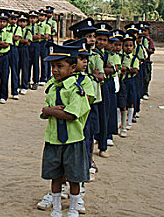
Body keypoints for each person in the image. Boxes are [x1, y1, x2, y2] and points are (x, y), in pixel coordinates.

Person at [37, 38, 94, 215]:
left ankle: (74, 209)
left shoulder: (77, 89)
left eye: (59, 66)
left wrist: (50, 110)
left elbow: (70, 114)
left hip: (73, 139)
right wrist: (50, 110)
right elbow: (44, 112)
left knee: (74, 176)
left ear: (72, 67)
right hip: (53, 139)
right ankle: (56, 208)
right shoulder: (52, 87)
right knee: (55, 175)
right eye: (53, 66)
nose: (55, 70)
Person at [69, 18, 102, 181]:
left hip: (90, 102)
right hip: (74, 102)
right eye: (88, 36)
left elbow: (99, 75)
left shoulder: (95, 55)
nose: (92, 39)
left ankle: (88, 163)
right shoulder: (70, 55)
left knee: (88, 134)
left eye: (93, 36)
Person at [93, 22, 114, 158]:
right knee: (94, 114)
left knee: (104, 115)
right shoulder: (92, 53)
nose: (101, 42)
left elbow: (112, 69)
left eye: (104, 40)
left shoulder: (109, 54)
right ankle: (94, 137)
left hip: (104, 86)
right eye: (98, 39)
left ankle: (103, 146)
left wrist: (104, 71)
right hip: (94, 87)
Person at [117, 32, 139, 136]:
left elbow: (135, 70)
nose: (128, 48)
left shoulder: (134, 58)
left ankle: (128, 121)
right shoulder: (120, 57)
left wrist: (127, 69)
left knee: (131, 101)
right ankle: (120, 122)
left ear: (134, 47)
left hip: (130, 81)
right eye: (126, 46)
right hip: (122, 81)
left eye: (130, 46)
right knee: (121, 102)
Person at [0, 11, 12, 104]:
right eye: (0, 21)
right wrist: (0, 43)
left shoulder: (8, 32)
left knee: (4, 76)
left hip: (4, 56)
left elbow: (6, 44)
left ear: (7, 23)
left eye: (4, 22)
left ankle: (3, 95)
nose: (2, 23)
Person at [7, 10, 23, 100]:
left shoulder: (18, 28)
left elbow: (17, 38)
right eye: (11, 19)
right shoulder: (6, 27)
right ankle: (2, 91)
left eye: (15, 19)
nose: (13, 21)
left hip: (14, 49)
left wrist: (9, 36)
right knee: (4, 72)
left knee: (14, 70)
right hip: (6, 49)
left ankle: (14, 91)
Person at [27, 10, 42, 90]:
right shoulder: (27, 27)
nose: (32, 20)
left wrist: (30, 37)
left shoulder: (39, 27)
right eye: (31, 18)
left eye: (34, 18)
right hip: (29, 45)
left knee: (36, 63)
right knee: (28, 63)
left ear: (37, 19)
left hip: (36, 45)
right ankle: (28, 80)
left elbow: (39, 37)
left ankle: (35, 81)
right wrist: (33, 36)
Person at [139, 23, 155, 99]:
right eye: (142, 31)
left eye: (145, 31)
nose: (143, 32)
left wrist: (145, 49)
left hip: (146, 61)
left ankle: (145, 92)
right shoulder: (139, 40)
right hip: (138, 61)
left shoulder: (149, 41)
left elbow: (152, 50)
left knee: (146, 77)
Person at [17, 13, 31, 95]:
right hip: (18, 49)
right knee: (17, 68)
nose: (22, 23)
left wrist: (18, 40)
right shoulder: (16, 29)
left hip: (25, 49)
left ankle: (24, 85)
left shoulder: (27, 31)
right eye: (20, 21)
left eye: (24, 21)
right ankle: (17, 85)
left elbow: (28, 41)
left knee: (25, 67)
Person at [38, 9, 52, 86]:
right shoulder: (36, 25)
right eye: (39, 15)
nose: (40, 17)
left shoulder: (47, 26)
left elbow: (47, 36)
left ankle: (43, 77)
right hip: (37, 43)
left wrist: (40, 36)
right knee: (36, 61)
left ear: (45, 17)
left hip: (44, 43)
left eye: (42, 16)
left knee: (44, 60)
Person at [45, 5, 58, 81]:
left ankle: (49, 75)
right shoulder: (43, 22)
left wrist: (48, 30)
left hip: (50, 40)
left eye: (50, 13)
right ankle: (44, 75)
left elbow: (54, 30)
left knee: (50, 57)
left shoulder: (53, 22)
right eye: (47, 13)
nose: (48, 15)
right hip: (44, 39)